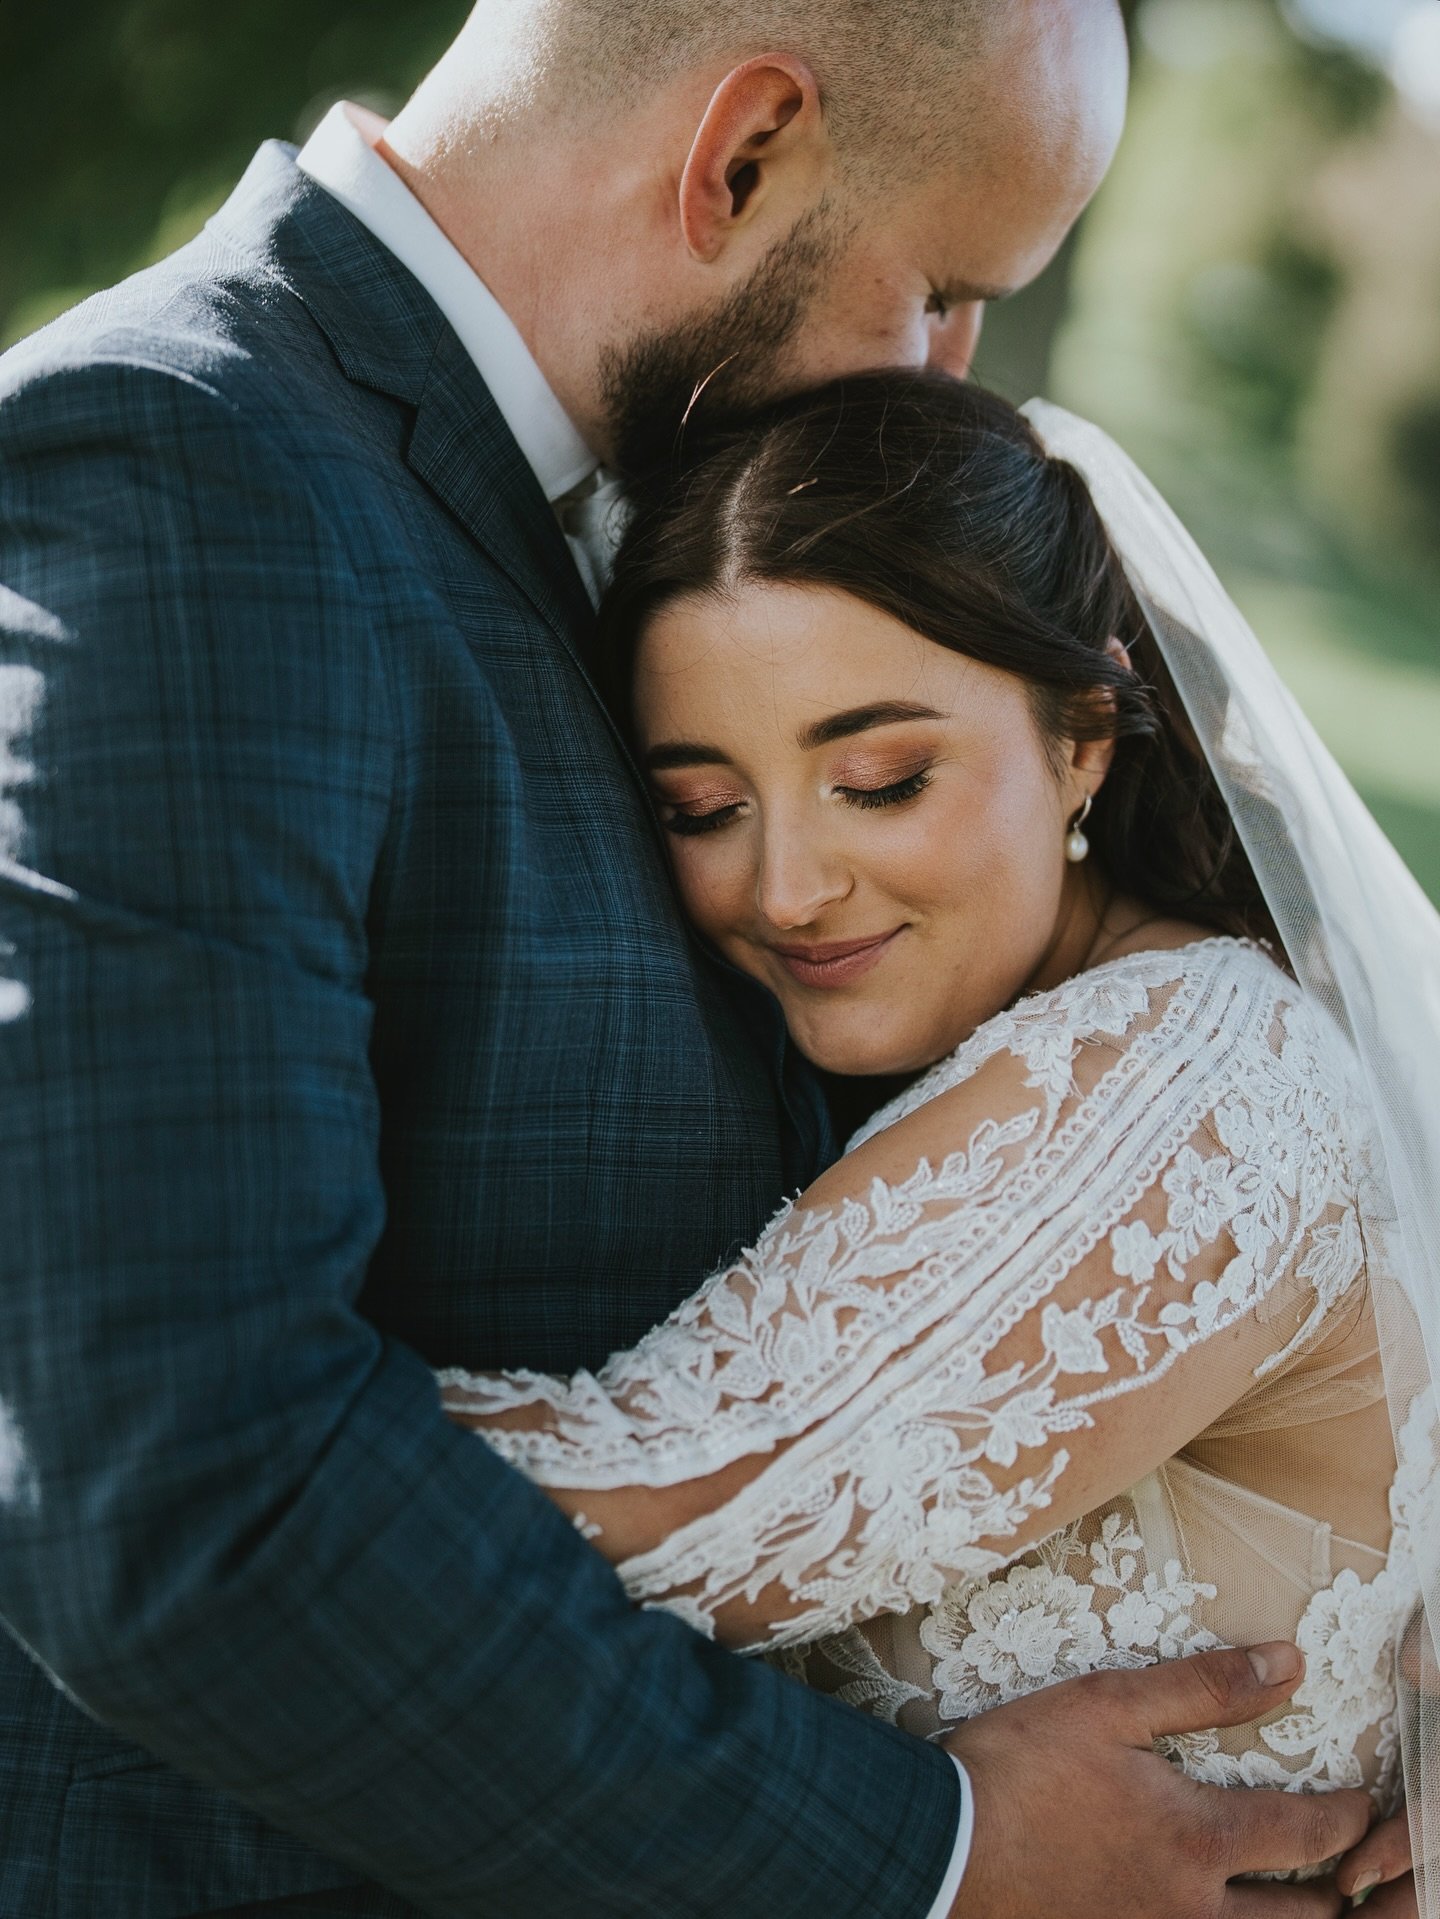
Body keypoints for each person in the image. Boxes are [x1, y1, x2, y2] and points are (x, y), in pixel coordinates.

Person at [0, 1, 1381, 1914]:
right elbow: (168, 1476)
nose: (955, 378)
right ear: (742, 157)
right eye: (941, 288)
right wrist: (942, 1857)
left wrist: (1369, 1682)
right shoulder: (191, 474)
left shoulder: (681, 525)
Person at [439, 371, 1433, 1916]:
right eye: (703, 808)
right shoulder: (1034, 1041)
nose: (787, 887)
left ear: (1087, 737)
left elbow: (624, 1526)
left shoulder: (1184, 1080)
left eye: (880, 781)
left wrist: (139, 1370)